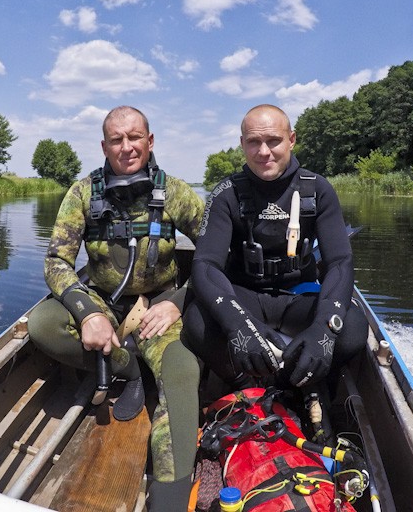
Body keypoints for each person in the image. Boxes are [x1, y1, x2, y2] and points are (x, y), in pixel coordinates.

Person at [28, 106, 205, 511]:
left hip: (162, 311)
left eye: (135, 137)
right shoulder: (82, 192)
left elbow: (213, 258)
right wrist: (87, 312)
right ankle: (129, 366)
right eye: (116, 140)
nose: (127, 147)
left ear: (150, 141)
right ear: (104, 146)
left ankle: (169, 501)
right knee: (43, 325)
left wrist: (177, 303)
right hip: (103, 305)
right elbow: (56, 261)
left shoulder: (175, 192)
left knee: (181, 375)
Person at [183, 104, 367, 403]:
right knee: (196, 322)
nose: (263, 151)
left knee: (354, 328)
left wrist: (324, 329)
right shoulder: (225, 194)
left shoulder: (318, 189)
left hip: (300, 298)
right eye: (253, 142)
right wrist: (237, 325)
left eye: (274, 141)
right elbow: (205, 265)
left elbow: (340, 262)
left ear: (291, 139)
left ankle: (288, 384)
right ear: (242, 144)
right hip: (246, 297)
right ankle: (245, 383)